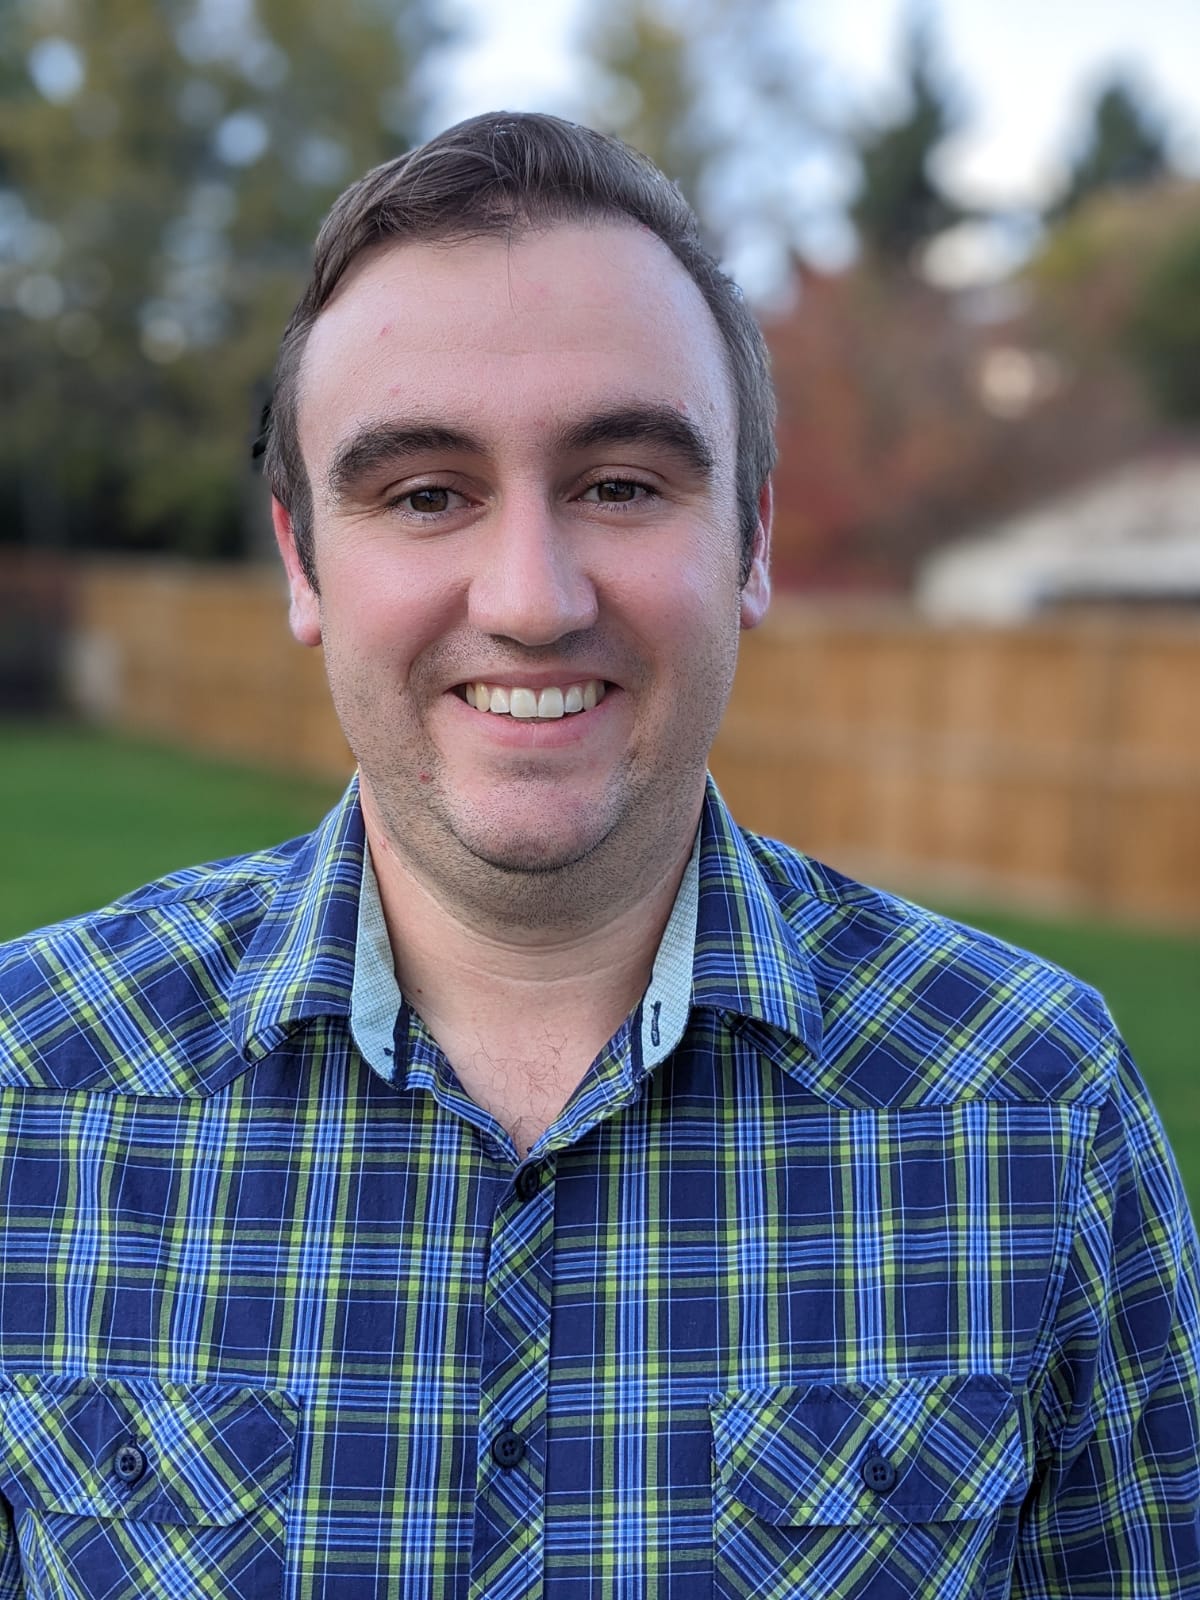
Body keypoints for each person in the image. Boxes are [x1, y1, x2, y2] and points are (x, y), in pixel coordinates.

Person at [0, 111, 1197, 1600]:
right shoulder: (27, 1087)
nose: (532, 599)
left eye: (621, 482)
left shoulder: (1037, 1108)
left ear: (751, 540)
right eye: (425, 494)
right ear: (304, 562)